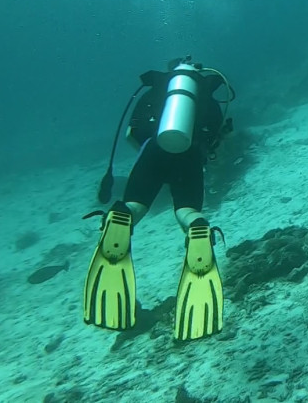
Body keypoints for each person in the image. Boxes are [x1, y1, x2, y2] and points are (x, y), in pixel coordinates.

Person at [84, 56, 234, 341]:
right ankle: (196, 228)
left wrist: (151, 151)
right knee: (187, 209)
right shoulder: (207, 100)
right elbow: (214, 138)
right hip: (190, 155)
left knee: (135, 205)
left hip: (153, 151)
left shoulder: (154, 95)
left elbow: (132, 134)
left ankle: (121, 218)